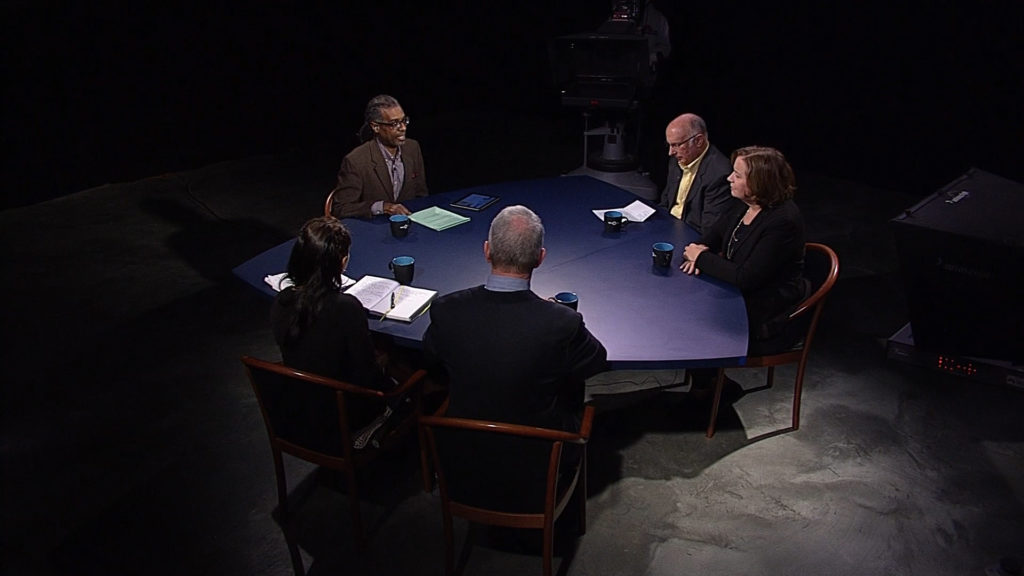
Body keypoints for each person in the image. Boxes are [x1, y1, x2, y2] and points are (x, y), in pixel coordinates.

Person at [423, 205, 608, 432]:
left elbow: (431, 359)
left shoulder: (446, 309)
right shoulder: (562, 322)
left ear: (487, 251)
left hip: (458, 450)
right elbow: (596, 361)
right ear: (540, 257)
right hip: (540, 453)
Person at [681, 146, 811, 357]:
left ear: (759, 182)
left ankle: (710, 385)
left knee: (695, 320)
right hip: (736, 292)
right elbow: (713, 236)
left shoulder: (783, 221)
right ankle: (706, 383)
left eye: (737, 175)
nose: (729, 179)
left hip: (765, 309)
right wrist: (699, 249)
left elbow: (745, 277)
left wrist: (700, 257)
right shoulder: (745, 203)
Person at [270, 217, 395, 391]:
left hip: (297, 401)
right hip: (344, 405)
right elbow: (366, 373)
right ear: (343, 263)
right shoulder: (345, 307)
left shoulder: (282, 299)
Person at [329, 94, 428, 219]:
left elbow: (422, 195)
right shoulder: (356, 161)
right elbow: (341, 208)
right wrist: (382, 207)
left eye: (404, 121)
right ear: (376, 127)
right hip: (374, 231)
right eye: (394, 123)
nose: (403, 128)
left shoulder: (412, 148)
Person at [658, 113, 739, 235]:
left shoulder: (720, 173)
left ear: (699, 141)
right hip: (668, 225)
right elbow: (666, 201)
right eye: (669, 145)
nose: (671, 152)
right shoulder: (678, 159)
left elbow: (710, 229)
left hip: (691, 235)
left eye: (676, 145)